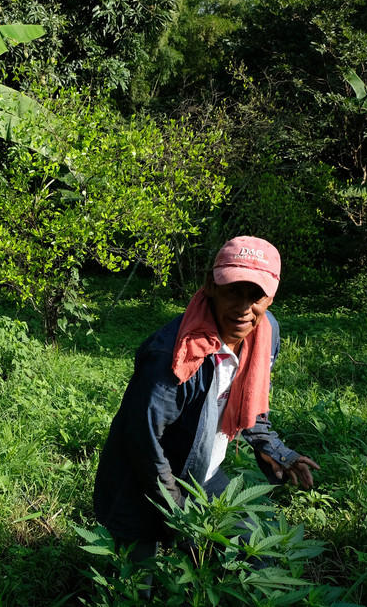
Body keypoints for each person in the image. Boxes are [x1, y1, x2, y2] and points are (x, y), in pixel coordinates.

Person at [93, 236, 319, 560]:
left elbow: (247, 401)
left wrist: (275, 450)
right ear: (210, 286)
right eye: (233, 291)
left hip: (201, 474)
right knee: (136, 583)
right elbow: (142, 439)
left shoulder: (265, 334)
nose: (244, 308)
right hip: (140, 480)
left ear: (271, 296)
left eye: (256, 296)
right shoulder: (174, 355)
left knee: (251, 556)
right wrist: (178, 511)